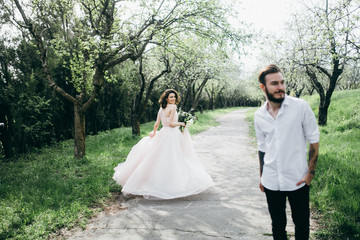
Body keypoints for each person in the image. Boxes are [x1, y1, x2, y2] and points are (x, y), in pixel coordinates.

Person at [254, 65, 320, 240]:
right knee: (277, 225)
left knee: (301, 224)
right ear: (263, 87)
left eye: (282, 82)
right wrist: (262, 176)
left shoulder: (300, 107)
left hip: (297, 179)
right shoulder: (259, 115)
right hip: (271, 180)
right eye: (274, 83)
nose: (280, 87)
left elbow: (314, 140)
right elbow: (262, 148)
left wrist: (310, 175)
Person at [113, 89, 214, 200]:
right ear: (166, 98)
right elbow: (171, 123)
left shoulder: (161, 109)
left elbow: (157, 123)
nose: (173, 99)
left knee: (158, 158)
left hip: (163, 133)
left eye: (174, 97)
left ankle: (151, 181)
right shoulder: (173, 107)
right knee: (176, 158)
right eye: (171, 97)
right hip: (172, 135)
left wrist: (154, 132)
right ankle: (173, 185)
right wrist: (183, 123)